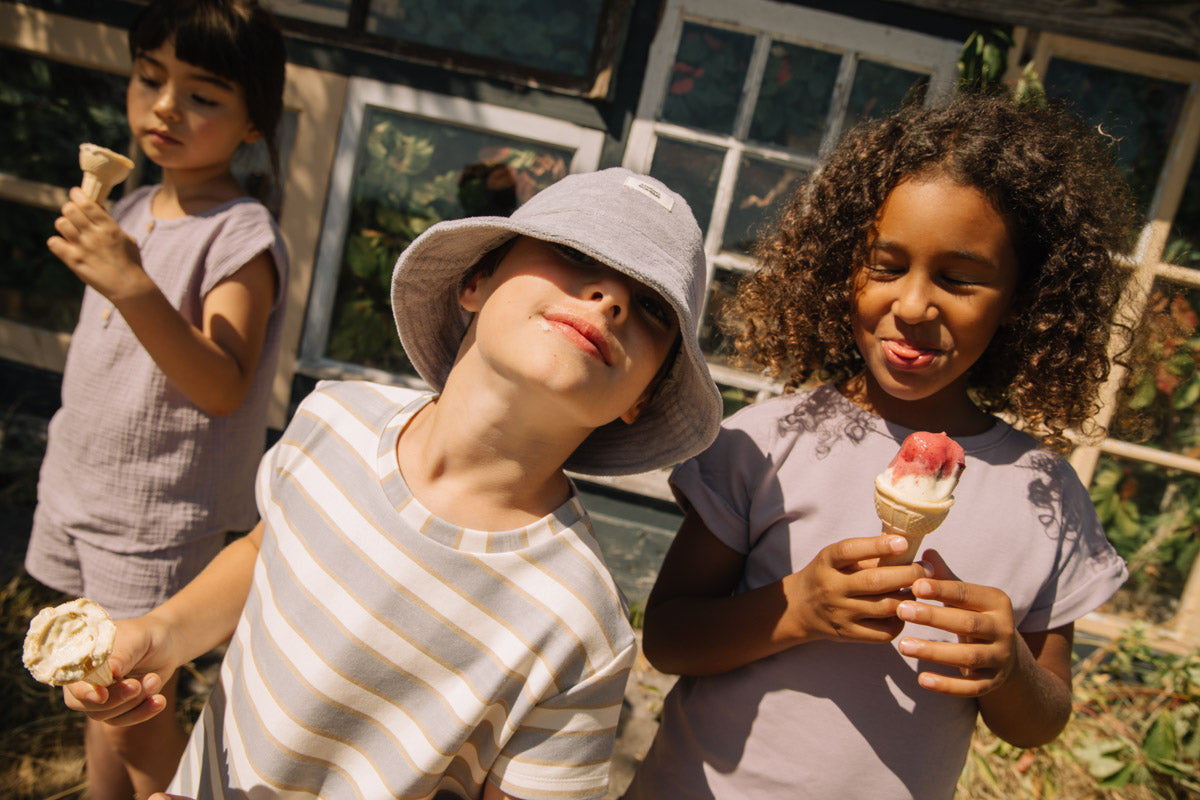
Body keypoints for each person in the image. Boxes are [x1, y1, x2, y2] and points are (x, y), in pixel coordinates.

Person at [62, 166, 724, 800]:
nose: (608, 300)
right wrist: (163, 635)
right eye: (577, 256)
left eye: (651, 309)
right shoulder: (334, 417)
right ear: (477, 281)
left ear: (641, 396)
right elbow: (273, 550)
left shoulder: (580, 624)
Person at [623, 91, 1135, 800]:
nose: (915, 305)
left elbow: (1041, 719)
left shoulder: (1043, 494)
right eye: (886, 265)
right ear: (844, 268)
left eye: (957, 279)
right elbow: (668, 637)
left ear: (1023, 297)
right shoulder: (763, 444)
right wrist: (796, 608)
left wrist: (1008, 668)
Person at [24, 1, 289, 798]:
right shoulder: (134, 207)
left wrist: (132, 282)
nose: (166, 105)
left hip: (152, 515)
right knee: (95, 691)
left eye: (204, 94)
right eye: (150, 78)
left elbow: (222, 382)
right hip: (82, 487)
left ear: (252, 125)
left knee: (136, 707)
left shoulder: (241, 236)